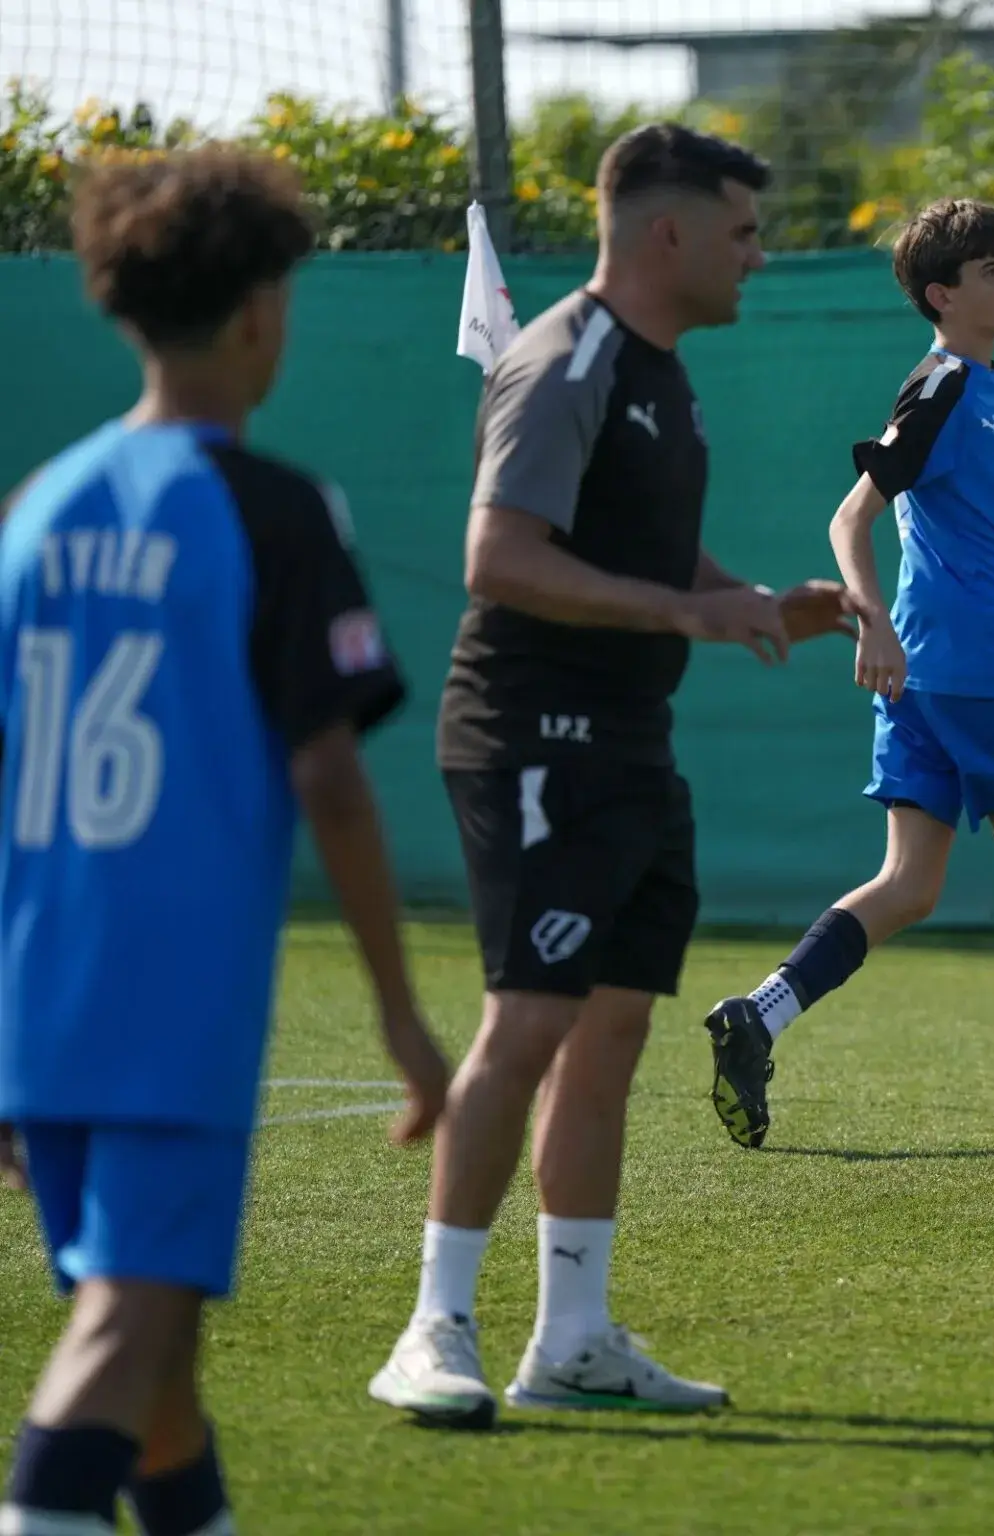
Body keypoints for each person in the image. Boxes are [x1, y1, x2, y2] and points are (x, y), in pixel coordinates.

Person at [368, 123, 852, 1427]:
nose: (759, 256)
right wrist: (686, 614)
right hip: (530, 735)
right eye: (743, 232)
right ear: (669, 234)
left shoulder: (667, 376)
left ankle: (570, 1338)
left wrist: (750, 599)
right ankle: (434, 1328)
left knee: (614, 1030)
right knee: (526, 1026)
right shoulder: (564, 356)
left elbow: (649, 550)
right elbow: (501, 559)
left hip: (632, 741)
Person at [0, 148, 448, 1536]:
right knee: (130, 1323)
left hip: (40, 997)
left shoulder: (34, 514)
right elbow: (334, 779)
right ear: (261, 310)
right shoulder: (271, 509)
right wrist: (401, 1019)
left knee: (160, 1352)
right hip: (170, 998)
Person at [703, 198, 994, 1151]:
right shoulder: (941, 385)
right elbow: (849, 518)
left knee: (909, 883)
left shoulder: (992, 389)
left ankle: (759, 1014)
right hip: (974, 677)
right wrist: (871, 624)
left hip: (932, 684)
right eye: (993, 271)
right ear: (943, 295)